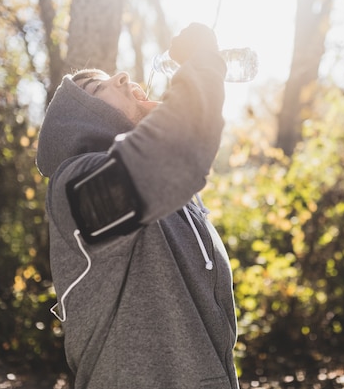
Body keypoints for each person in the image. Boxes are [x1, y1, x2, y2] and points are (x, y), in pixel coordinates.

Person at [36, 23, 238, 389]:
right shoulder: (76, 190)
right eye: (97, 88)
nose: (122, 75)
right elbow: (169, 152)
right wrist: (203, 62)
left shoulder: (181, 202)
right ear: (83, 120)